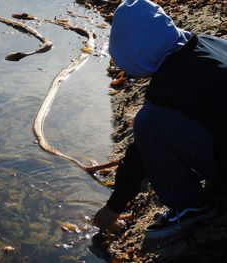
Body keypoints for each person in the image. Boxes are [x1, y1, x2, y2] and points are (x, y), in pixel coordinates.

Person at [93, 0, 227, 239]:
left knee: (148, 123)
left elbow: (139, 154)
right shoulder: (210, 43)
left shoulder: (168, 87)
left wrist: (114, 207)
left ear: (138, 52)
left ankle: (189, 206)